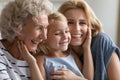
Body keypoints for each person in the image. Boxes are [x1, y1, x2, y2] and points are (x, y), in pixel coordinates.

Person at [57, 0, 120, 80]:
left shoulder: (102, 41)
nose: (76, 29)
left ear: (90, 26)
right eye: (69, 23)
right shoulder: (59, 49)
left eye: (82, 23)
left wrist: (76, 79)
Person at [0, 0, 52, 80]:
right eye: (39, 28)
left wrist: (32, 63)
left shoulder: (37, 56)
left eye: (46, 28)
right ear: (17, 27)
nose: (44, 36)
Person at [35, 12, 93, 80]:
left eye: (67, 31)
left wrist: (86, 47)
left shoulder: (71, 54)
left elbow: (89, 78)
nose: (65, 37)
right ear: (44, 37)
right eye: (58, 33)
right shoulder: (41, 60)